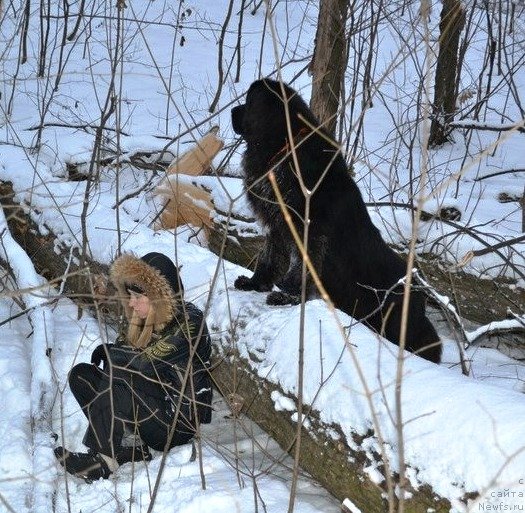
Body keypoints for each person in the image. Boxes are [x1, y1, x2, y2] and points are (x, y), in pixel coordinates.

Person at [54, 252, 213, 482]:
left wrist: (114, 353)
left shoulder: (190, 321)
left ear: (159, 296)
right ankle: (125, 448)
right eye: (130, 296)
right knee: (81, 375)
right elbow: (123, 360)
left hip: (176, 423)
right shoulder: (143, 322)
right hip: (150, 410)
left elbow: (141, 363)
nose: (131, 303)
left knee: (121, 371)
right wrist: (112, 351)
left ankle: (103, 462)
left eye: (138, 296)